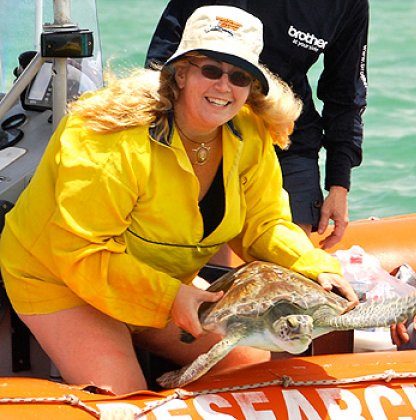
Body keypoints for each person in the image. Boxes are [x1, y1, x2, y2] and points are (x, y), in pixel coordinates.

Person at [0, 6, 358, 394]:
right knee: (126, 399)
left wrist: (313, 265)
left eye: (239, 76)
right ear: (181, 72)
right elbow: (79, 252)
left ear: (251, 89)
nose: (224, 86)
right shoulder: (106, 136)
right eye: (211, 70)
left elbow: (264, 225)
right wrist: (171, 297)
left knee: (258, 376)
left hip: (163, 284)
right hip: (59, 278)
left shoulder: (250, 134)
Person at [145, 0, 369, 250]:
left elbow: (346, 94)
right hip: (201, 134)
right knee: (200, 266)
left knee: (293, 260)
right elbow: (161, 64)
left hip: (286, 140)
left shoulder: (348, 5)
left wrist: (339, 185)